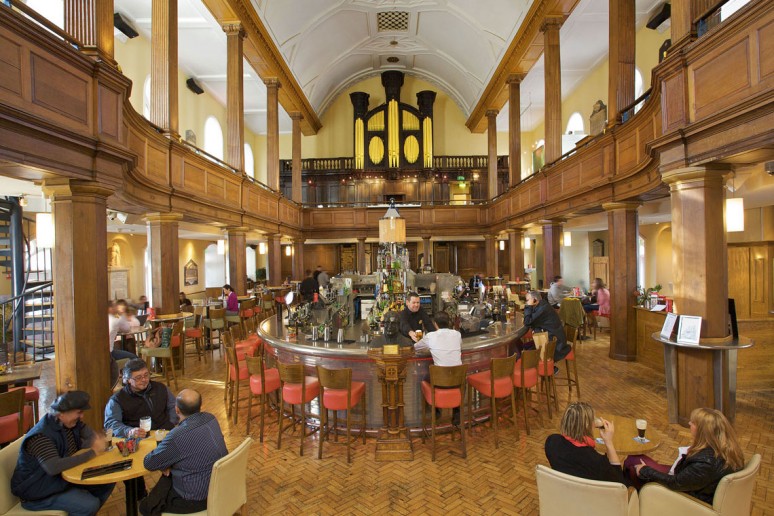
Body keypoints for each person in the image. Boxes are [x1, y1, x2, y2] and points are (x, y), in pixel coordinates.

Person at [11, 391, 114, 516]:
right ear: (61, 414)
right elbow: (53, 467)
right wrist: (92, 452)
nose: (82, 416)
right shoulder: (41, 435)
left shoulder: (71, 424)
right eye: (79, 412)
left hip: (58, 482)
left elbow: (92, 437)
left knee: (106, 483)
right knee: (89, 505)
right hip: (37, 492)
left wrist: (94, 440)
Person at [628, 408, 744, 503]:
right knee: (634, 459)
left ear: (702, 430)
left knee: (632, 464)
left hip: (685, 499)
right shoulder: (726, 449)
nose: (689, 423)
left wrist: (645, 470)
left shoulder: (704, 464)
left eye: (693, 423)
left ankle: (640, 501)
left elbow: (675, 483)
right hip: (688, 483)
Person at [139, 390, 228, 515]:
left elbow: (149, 463)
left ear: (176, 410)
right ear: (200, 406)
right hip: (220, 487)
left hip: (195, 499)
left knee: (146, 506)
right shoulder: (211, 418)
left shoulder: (176, 436)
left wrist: (166, 463)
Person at [105, 359, 178, 501]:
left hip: (164, 434)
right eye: (138, 378)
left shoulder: (160, 388)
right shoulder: (118, 399)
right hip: (138, 440)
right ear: (127, 380)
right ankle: (140, 496)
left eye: (146, 375)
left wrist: (172, 422)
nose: (144, 380)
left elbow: (173, 406)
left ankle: (171, 492)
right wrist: (129, 431)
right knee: (131, 467)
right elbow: (111, 423)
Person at [545, 402, 627, 485]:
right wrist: (608, 442)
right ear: (588, 425)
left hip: (564, 490)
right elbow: (619, 482)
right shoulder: (596, 461)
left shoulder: (552, 442)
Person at [415, 311, 463, 426]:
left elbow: (416, 347)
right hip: (458, 381)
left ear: (435, 324)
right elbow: (459, 346)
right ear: (449, 323)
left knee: (423, 377)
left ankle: (435, 411)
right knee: (452, 373)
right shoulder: (457, 334)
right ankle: (457, 412)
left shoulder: (430, 336)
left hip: (439, 383)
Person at [522, 291, 570, 362]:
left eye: (528, 300)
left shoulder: (542, 308)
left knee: (528, 353)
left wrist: (528, 306)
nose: (527, 302)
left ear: (534, 299)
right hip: (553, 338)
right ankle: (549, 368)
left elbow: (527, 322)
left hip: (555, 344)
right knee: (526, 347)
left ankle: (548, 368)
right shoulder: (542, 305)